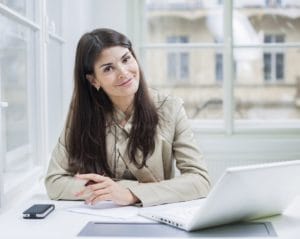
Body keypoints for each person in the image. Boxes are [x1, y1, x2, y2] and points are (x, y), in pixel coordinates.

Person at [45, 28, 210, 207]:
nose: (123, 72)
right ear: (94, 80)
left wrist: (132, 193)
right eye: (108, 68)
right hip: (100, 221)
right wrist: (115, 191)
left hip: (154, 219)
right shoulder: (82, 115)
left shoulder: (171, 108)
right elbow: (54, 182)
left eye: (126, 59)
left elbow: (200, 180)